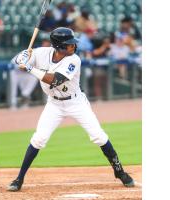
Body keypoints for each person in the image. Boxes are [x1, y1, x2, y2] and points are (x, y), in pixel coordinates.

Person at [7, 27, 134, 191]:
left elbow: (54, 80)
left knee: (99, 136)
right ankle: (19, 179)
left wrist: (29, 68)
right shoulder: (41, 53)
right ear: (58, 46)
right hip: (54, 104)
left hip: (76, 103)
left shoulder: (74, 60)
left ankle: (120, 172)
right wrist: (21, 57)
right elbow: (18, 61)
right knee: (39, 139)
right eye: (69, 44)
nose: (73, 46)